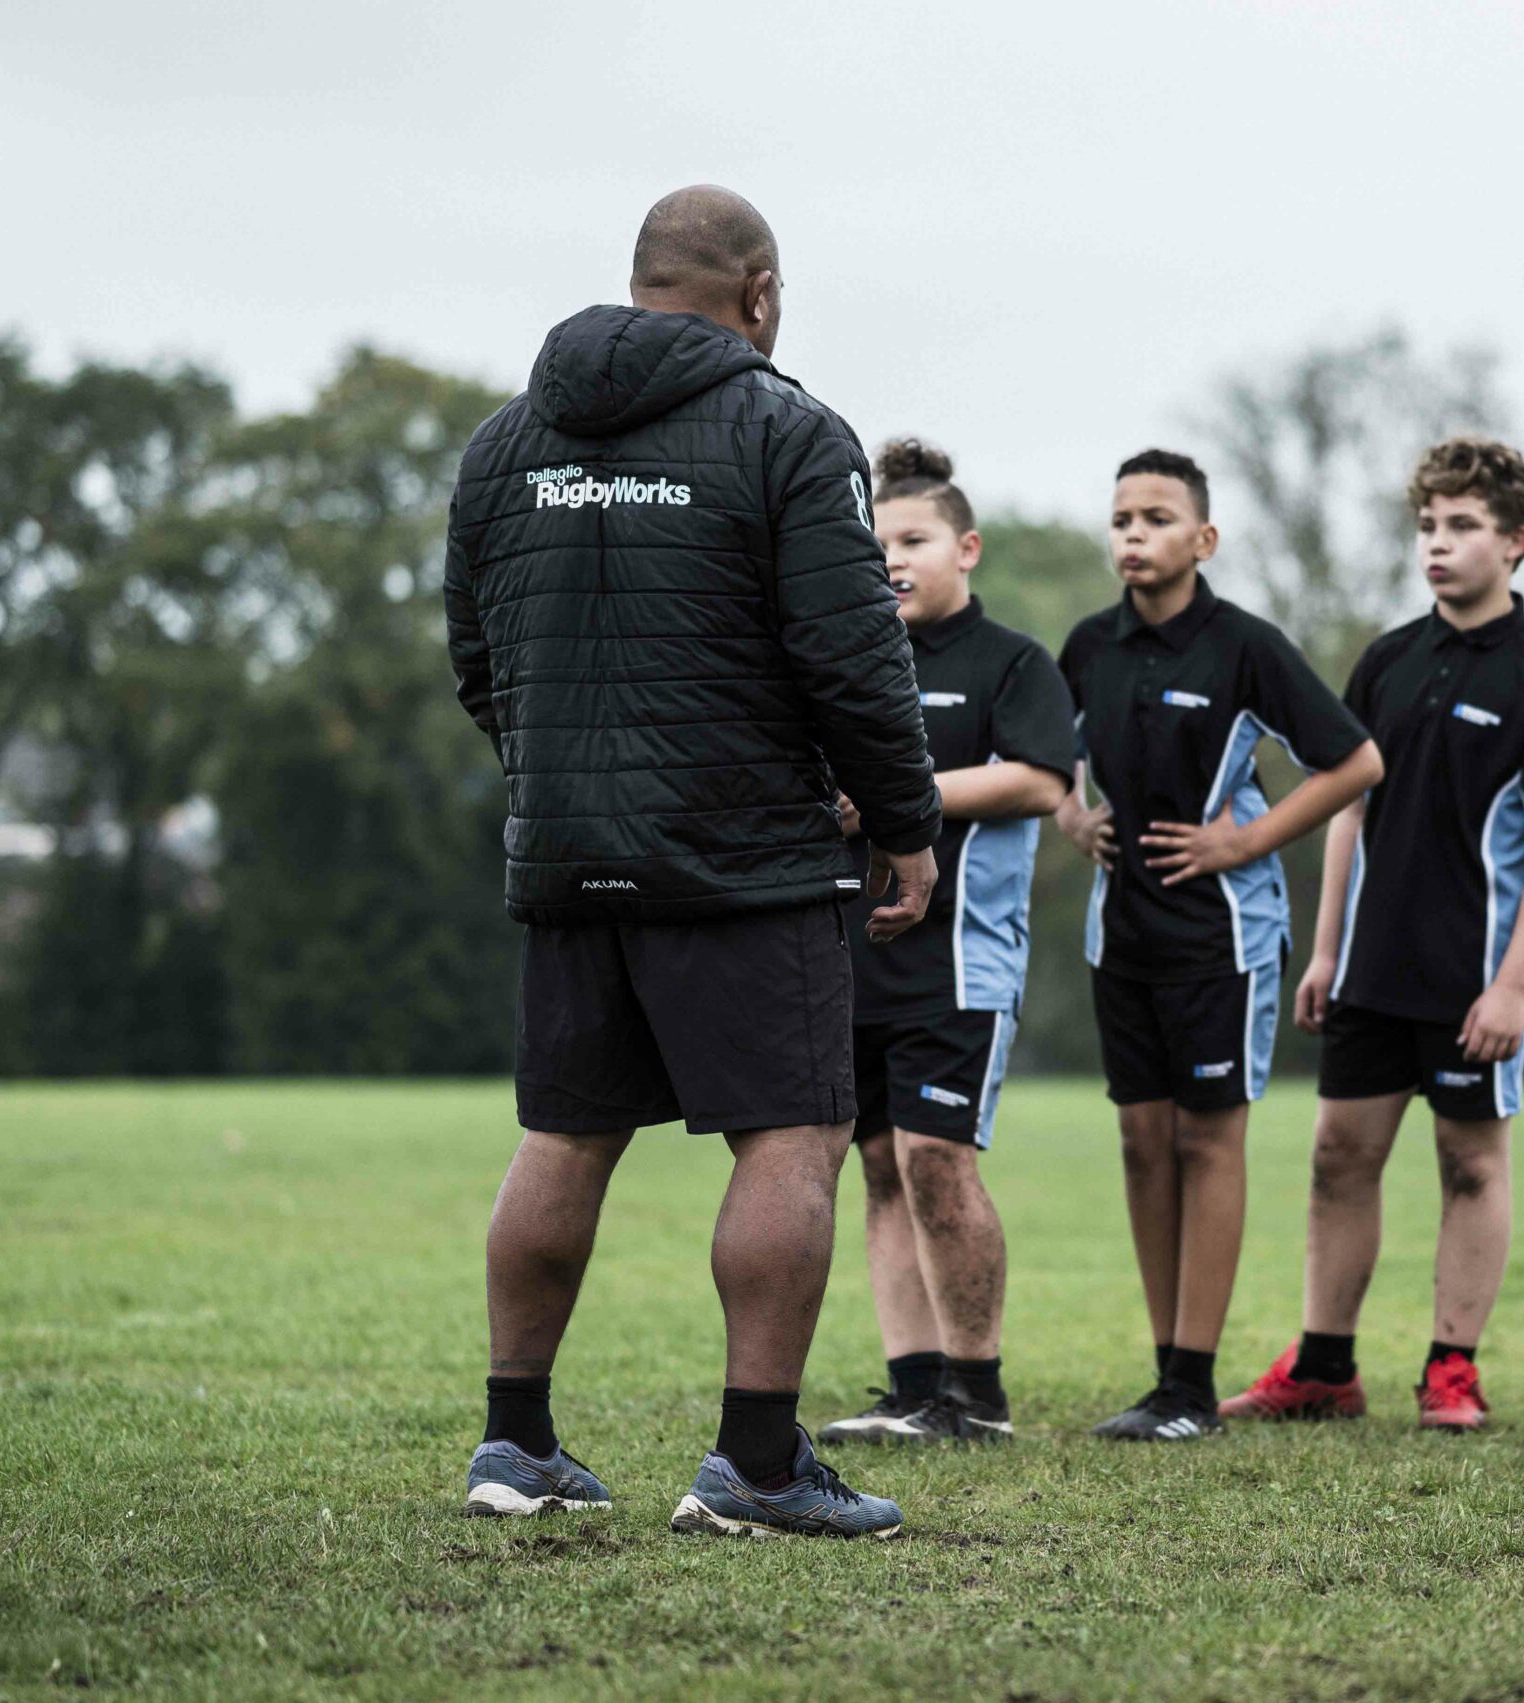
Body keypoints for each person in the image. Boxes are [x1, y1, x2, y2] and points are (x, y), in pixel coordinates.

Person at [442, 185, 941, 1539]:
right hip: (747, 856)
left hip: (565, 852)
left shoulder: (503, 443)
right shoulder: (790, 431)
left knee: (566, 1129)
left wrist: (563, 778)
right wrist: (904, 821)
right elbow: (852, 655)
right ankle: (759, 1462)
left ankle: (516, 1440)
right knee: (790, 1133)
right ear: (760, 293)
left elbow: (475, 658)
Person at [1221, 435, 1524, 1433]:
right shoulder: (1387, 658)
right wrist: (1328, 947)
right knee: (1338, 1155)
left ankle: (1451, 1367)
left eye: (1462, 525)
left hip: (1476, 977)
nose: (1437, 542)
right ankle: (1324, 1367)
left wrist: (1513, 984)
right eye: (1428, 523)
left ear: (1514, 541)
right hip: (1371, 968)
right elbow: (1345, 807)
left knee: (1471, 1163)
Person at [1054, 448, 1382, 1441]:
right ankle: (1162, 1377)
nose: (1133, 535)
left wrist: (1244, 839)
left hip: (1223, 939)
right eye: (1120, 518)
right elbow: (1039, 755)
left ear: (1202, 539)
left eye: (1155, 517)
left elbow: (1355, 760)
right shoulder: (1088, 645)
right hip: (1121, 935)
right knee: (1142, 1141)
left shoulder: (1244, 646)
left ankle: (1193, 1387)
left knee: (1208, 1138)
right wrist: (1072, 815)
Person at [814, 440, 1077, 1448]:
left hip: (960, 962)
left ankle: (979, 1393)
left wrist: (895, 797)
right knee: (878, 1162)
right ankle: (913, 1389)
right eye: (875, 542)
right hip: (850, 956)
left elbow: (1040, 778)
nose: (892, 559)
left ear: (964, 547)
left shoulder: (1011, 662)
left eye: (913, 538)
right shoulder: (843, 663)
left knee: (936, 1157)